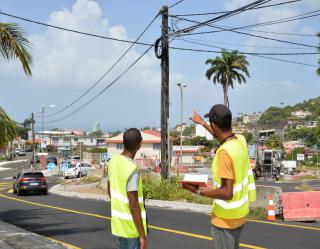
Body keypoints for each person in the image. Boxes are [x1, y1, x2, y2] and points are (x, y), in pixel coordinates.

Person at [184, 104, 256, 249]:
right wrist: (203, 123)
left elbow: (226, 192)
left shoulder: (224, 153)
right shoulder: (240, 141)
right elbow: (221, 136)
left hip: (225, 219)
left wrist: (197, 190)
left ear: (214, 125)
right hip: (240, 215)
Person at [108, 128, 148, 249]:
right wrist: (142, 235)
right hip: (131, 229)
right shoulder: (132, 170)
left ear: (124, 142)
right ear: (139, 145)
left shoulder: (113, 161)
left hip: (119, 226)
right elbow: (134, 205)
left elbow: (110, 191)